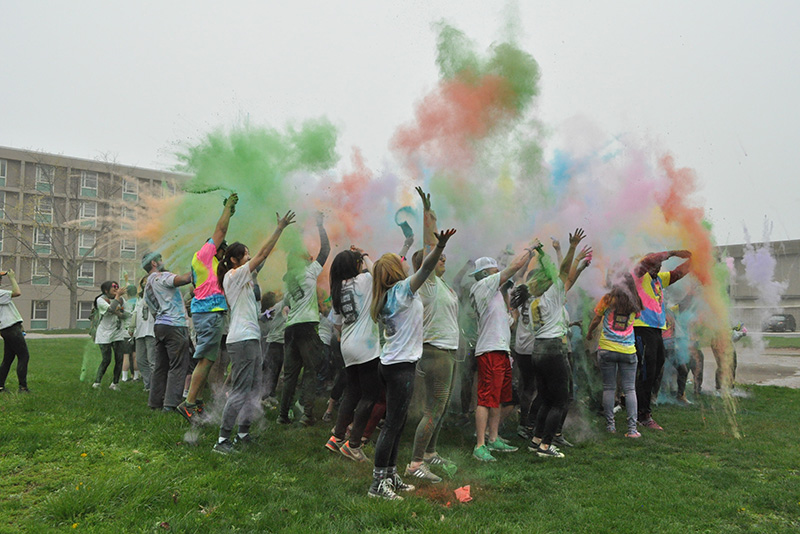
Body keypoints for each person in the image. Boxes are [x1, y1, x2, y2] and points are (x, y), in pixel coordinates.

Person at [367, 227, 456, 501]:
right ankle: (378, 484)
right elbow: (426, 267)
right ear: (396, 270)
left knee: (398, 421)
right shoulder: (402, 291)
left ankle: (391, 474)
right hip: (400, 368)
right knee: (393, 424)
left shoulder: (384, 295)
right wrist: (438, 248)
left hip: (391, 364)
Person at [213, 211, 295, 454]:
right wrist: (279, 229)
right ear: (236, 261)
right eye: (246, 255)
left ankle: (243, 433)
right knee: (240, 390)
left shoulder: (245, 277)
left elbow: (262, 259)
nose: (251, 258)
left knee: (253, 388)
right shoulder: (233, 276)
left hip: (250, 339)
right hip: (242, 340)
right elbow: (262, 255)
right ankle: (222, 441)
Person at [469, 239, 542, 462]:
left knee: (499, 398)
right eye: (494, 269)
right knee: (486, 399)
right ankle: (480, 445)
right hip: (489, 350)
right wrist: (529, 251)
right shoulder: (482, 286)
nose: (498, 272)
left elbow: (509, 321)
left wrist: (517, 308)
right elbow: (513, 268)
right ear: (484, 273)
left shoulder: (495, 296)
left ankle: (494, 438)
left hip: (500, 349)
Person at [521, 230, 591, 458]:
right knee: (560, 401)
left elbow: (567, 279)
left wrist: (545, 254)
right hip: (553, 350)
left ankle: (537, 439)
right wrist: (572, 248)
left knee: (546, 399)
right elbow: (563, 274)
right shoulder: (552, 295)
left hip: (538, 351)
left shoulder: (533, 301)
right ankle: (545, 446)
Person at [406, 187, 459, 483]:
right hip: (435, 352)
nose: (443, 259)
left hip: (446, 352)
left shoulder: (442, 285)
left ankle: (430, 453)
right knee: (433, 409)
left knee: (439, 408)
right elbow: (430, 244)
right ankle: (415, 463)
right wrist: (427, 213)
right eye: (439, 259)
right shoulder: (425, 282)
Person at [176, 193, 238, 423]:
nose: (225, 255)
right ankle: (189, 403)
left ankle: (197, 401)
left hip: (208, 314)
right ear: (215, 248)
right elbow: (220, 231)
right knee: (205, 360)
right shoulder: (203, 255)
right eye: (224, 250)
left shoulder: (209, 264)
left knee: (208, 359)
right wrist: (227, 208)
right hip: (208, 314)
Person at [324, 246, 380, 463]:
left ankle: (337, 437)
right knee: (370, 395)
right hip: (366, 347)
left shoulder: (338, 289)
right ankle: (354, 444)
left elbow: (336, 324)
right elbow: (379, 274)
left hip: (347, 346)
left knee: (352, 392)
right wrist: (366, 255)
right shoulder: (364, 281)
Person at [278, 212, 330, 426]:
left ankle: (282, 415)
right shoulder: (308, 272)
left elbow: (287, 305)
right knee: (311, 369)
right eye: (306, 255)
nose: (310, 256)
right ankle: (306, 414)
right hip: (307, 328)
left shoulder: (288, 280)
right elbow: (325, 250)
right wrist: (320, 225)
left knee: (290, 374)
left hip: (291, 329)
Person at [631, 249, 692, 429]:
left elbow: (678, 273)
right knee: (647, 370)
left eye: (660, 265)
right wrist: (673, 252)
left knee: (657, 367)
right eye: (655, 264)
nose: (658, 267)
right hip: (642, 329)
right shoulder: (639, 276)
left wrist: (695, 259)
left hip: (657, 330)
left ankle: (638, 405)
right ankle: (642, 414)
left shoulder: (658, 280)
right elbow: (648, 259)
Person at [586, 272, 642, 438]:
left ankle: (611, 426)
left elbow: (596, 319)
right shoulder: (635, 301)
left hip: (607, 349)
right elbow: (637, 316)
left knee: (609, 388)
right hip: (628, 351)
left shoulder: (608, 299)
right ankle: (632, 430)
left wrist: (589, 333)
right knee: (630, 389)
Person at [142, 252, 193, 412]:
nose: (163, 262)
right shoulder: (162, 276)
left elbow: (151, 309)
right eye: (160, 260)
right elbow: (184, 279)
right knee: (178, 365)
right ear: (154, 264)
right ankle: (171, 405)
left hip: (160, 326)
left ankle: (155, 402)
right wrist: (200, 266)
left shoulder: (147, 285)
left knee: (160, 366)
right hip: (175, 325)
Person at [92, 280, 127, 390]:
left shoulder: (121, 300)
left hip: (118, 332)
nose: (117, 290)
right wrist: (117, 305)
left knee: (119, 358)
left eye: (117, 288)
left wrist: (118, 312)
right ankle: (97, 382)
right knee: (106, 359)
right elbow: (111, 309)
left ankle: (115, 383)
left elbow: (125, 314)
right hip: (104, 333)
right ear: (106, 290)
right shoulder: (101, 300)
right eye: (114, 289)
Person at [0, 270, 31, 393]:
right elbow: (17, 292)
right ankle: (23, 387)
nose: (1, 280)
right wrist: (12, 278)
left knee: (8, 358)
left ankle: (0, 386)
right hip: (11, 328)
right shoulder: (0, 293)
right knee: (24, 356)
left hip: (8, 328)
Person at [133, 276, 155, 391]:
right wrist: (131, 327)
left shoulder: (155, 295)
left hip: (151, 331)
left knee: (152, 361)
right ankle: (148, 384)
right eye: (143, 282)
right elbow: (136, 312)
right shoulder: (139, 297)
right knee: (140, 360)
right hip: (140, 332)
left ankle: (155, 387)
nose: (145, 284)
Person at [120, 284, 139, 382]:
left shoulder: (125, 303)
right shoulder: (139, 302)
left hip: (126, 331)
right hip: (137, 332)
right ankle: (136, 376)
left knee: (126, 355)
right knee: (135, 355)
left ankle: (124, 377)